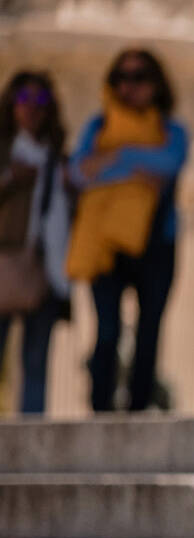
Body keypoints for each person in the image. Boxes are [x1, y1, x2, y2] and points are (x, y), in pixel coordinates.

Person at [68, 49, 187, 411]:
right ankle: (99, 409)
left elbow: (169, 164)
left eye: (138, 78)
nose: (128, 87)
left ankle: (138, 408)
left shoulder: (172, 130)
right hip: (105, 242)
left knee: (150, 330)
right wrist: (136, 167)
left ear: (156, 84)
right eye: (120, 78)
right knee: (106, 331)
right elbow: (76, 173)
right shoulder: (97, 125)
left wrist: (113, 158)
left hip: (157, 241)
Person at [0, 70, 69, 414]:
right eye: (23, 99)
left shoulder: (57, 158)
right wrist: (12, 177)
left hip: (44, 269)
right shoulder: (4, 152)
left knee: (37, 361)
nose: (31, 108)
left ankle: (32, 435)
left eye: (40, 100)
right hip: (4, 265)